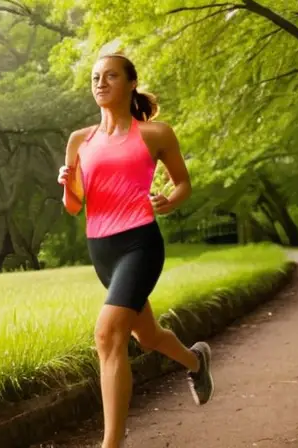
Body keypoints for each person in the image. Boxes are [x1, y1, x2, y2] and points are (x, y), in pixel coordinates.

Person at [56, 53, 214, 448]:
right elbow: (75, 206)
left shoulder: (155, 133)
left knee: (107, 334)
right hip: (101, 248)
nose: (100, 83)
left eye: (110, 76)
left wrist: (169, 202)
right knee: (146, 336)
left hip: (140, 243)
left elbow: (183, 184)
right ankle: (196, 362)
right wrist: (67, 184)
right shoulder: (80, 140)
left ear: (130, 84)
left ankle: (111, 444)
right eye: (95, 77)